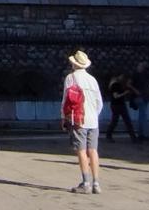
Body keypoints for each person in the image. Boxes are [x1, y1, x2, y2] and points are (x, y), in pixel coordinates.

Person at [62, 50, 104, 195]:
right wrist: (95, 115)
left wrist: (64, 117)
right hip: (93, 120)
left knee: (81, 150)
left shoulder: (71, 78)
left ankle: (86, 182)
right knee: (93, 150)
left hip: (78, 118)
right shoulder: (93, 80)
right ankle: (96, 183)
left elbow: (65, 100)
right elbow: (100, 102)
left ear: (74, 64)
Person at [106, 73, 137, 142]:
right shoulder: (115, 85)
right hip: (117, 105)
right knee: (121, 121)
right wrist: (125, 93)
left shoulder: (116, 84)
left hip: (118, 105)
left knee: (120, 121)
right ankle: (133, 137)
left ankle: (133, 137)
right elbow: (116, 96)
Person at [132, 61, 149, 142]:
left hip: (140, 97)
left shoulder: (137, 76)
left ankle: (141, 134)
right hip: (142, 97)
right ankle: (144, 134)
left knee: (142, 116)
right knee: (143, 116)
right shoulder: (144, 76)